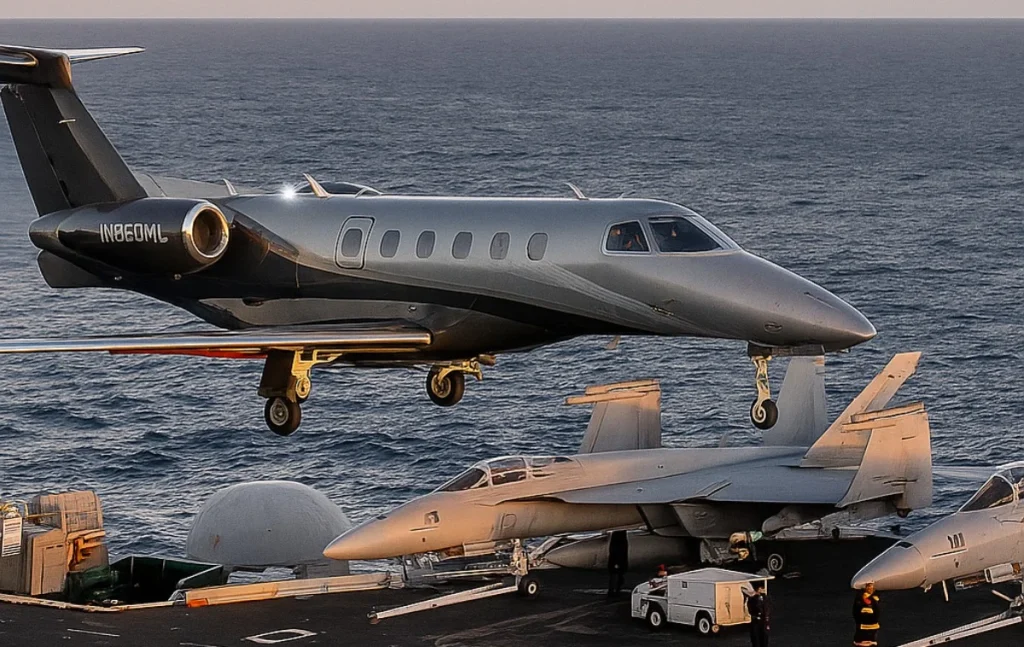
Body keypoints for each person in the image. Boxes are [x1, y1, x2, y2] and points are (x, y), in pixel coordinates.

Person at [853, 582, 881, 647]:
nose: (870, 588)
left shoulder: (875, 598)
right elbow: (856, 610)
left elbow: (877, 611)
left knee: (870, 640)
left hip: (872, 624)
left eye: (871, 587)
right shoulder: (860, 598)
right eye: (868, 587)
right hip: (863, 624)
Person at [746, 581, 771, 647]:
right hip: (755, 620)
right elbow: (751, 608)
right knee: (755, 637)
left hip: (763, 620)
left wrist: (767, 621)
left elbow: (767, 608)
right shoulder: (753, 598)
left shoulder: (765, 598)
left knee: (764, 637)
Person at [606, 530, 629, 596]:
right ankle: (614, 590)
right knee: (616, 574)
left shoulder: (617, 539)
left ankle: (613, 590)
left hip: (617, 558)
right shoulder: (621, 540)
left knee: (615, 574)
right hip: (618, 558)